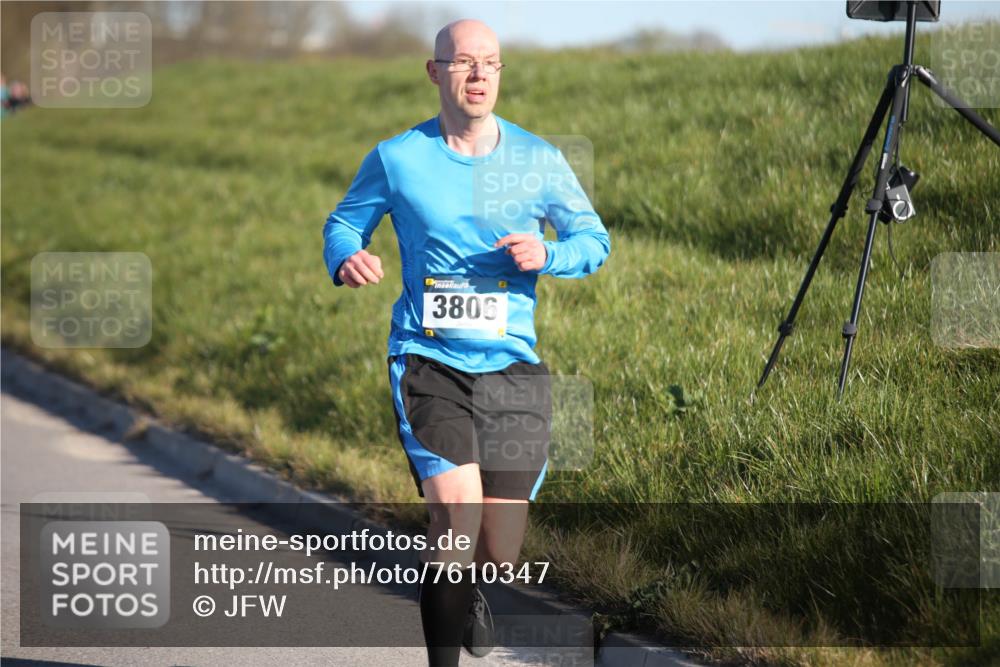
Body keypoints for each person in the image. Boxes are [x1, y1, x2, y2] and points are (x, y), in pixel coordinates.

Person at [323, 18, 610, 667]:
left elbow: (594, 240)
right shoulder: (399, 157)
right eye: (463, 62)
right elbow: (345, 223)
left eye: (491, 63)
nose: (479, 74)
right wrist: (346, 257)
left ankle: (479, 587)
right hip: (429, 361)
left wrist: (550, 252)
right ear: (435, 72)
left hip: (512, 369)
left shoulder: (537, 159)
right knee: (456, 518)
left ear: (501, 73)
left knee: (499, 546)